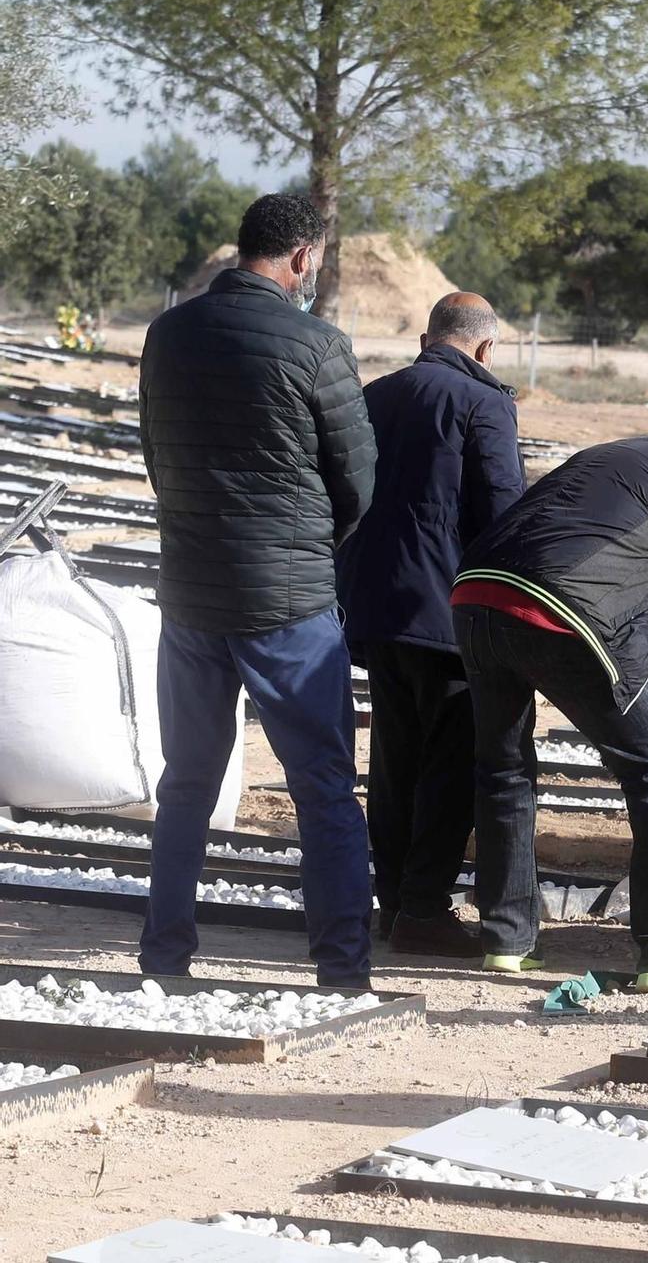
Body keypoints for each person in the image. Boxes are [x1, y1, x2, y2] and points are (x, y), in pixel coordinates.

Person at [138, 195, 377, 988]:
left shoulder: (166, 335)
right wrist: (309, 549)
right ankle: (341, 970)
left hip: (192, 596)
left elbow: (157, 456)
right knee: (324, 790)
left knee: (187, 784)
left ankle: (164, 957)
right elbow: (357, 483)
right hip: (289, 605)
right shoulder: (316, 344)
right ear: (304, 258)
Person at [450, 398, 648, 990]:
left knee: (504, 768)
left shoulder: (620, 454)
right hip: (559, 610)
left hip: (476, 594)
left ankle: (507, 939)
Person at [335, 292, 524, 957]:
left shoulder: (376, 393)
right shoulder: (485, 402)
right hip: (447, 610)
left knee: (394, 758)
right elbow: (503, 512)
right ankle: (423, 908)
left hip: (376, 605)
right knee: (451, 764)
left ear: (427, 337)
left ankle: (394, 905)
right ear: (485, 348)